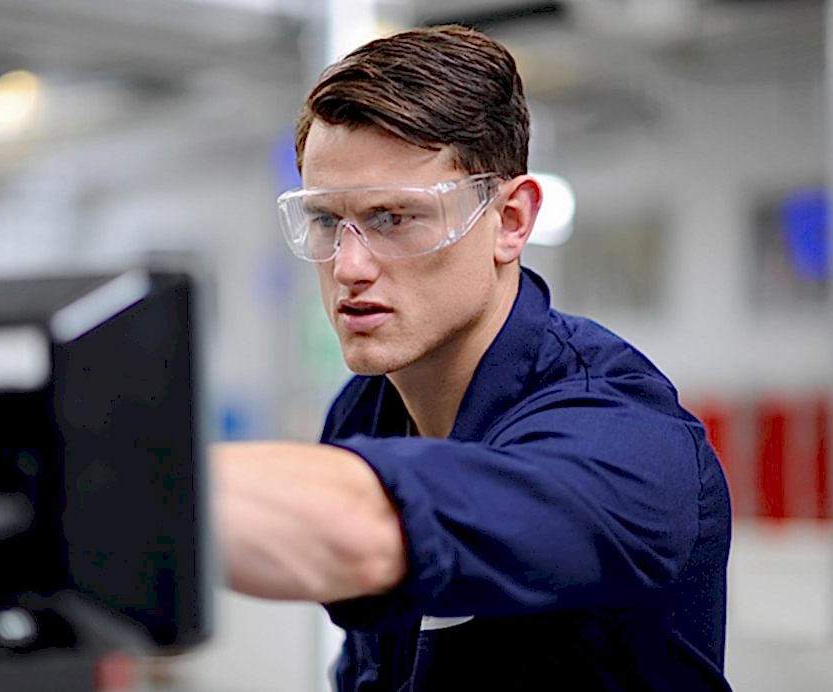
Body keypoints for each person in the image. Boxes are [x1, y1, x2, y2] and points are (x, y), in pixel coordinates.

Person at [213, 24, 733, 691]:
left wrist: (125, 493)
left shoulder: (627, 439)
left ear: (511, 220)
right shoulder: (368, 409)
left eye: (394, 218)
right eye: (324, 221)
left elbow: (376, 527)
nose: (348, 266)